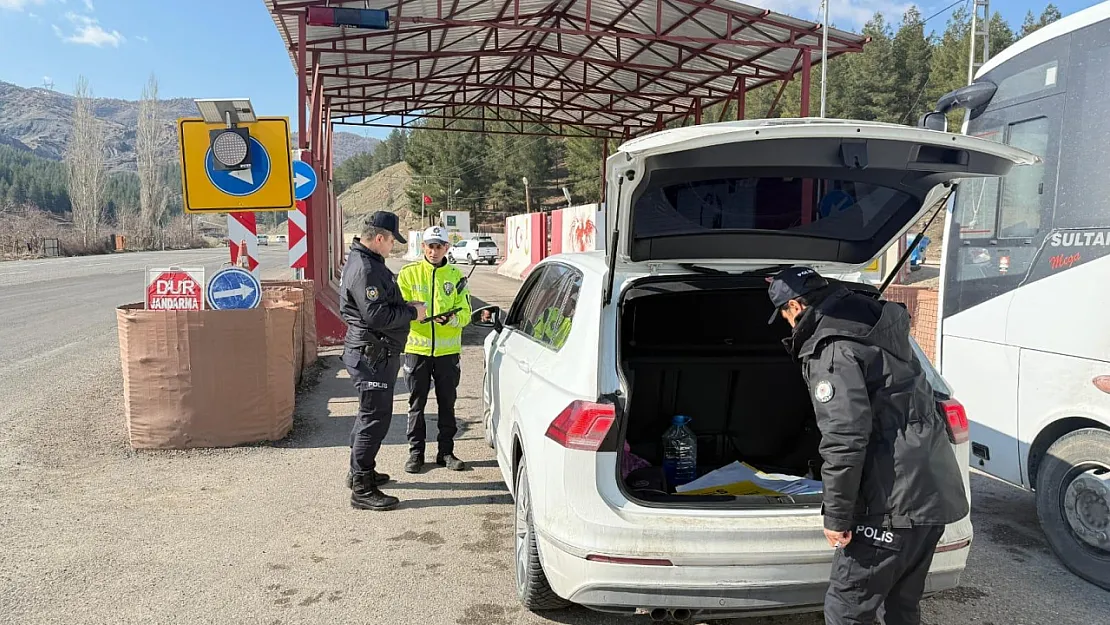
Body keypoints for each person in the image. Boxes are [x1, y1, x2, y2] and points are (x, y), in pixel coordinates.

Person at [766, 266, 969, 625]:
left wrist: (838, 516)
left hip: (890, 504)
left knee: (848, 610)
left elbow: (845, 437)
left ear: (795, 307)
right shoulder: (883, 331)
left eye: (784, 316)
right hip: (932, 494)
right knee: (904, 606)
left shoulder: (833, 350)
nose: (787, 325)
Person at [339, 211, 427, 511]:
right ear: (379, 238)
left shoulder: (368, 263)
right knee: (374, 418)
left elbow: (377, 307)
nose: (393, 247)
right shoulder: (366, 268)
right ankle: (362, 488)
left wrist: (404, 306)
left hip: (373, 351)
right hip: (372, 354)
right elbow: (376, 315)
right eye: (392, 241)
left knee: (369, 415)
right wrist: (412, 313)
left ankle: (360, 472)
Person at [396, 226, 473, 474]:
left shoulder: (456, 276)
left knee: (446, 404)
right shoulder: (408, 274)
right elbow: (400, 309)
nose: (434, 250)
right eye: (430, 245)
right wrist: (419, 315)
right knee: (416, 404)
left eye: (439, 246)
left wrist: (451, 319)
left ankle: (446, 452)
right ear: (423, 247)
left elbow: (466, 312)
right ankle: (416, 454)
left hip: (447, 354)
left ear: (446, 248)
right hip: (416, 351)